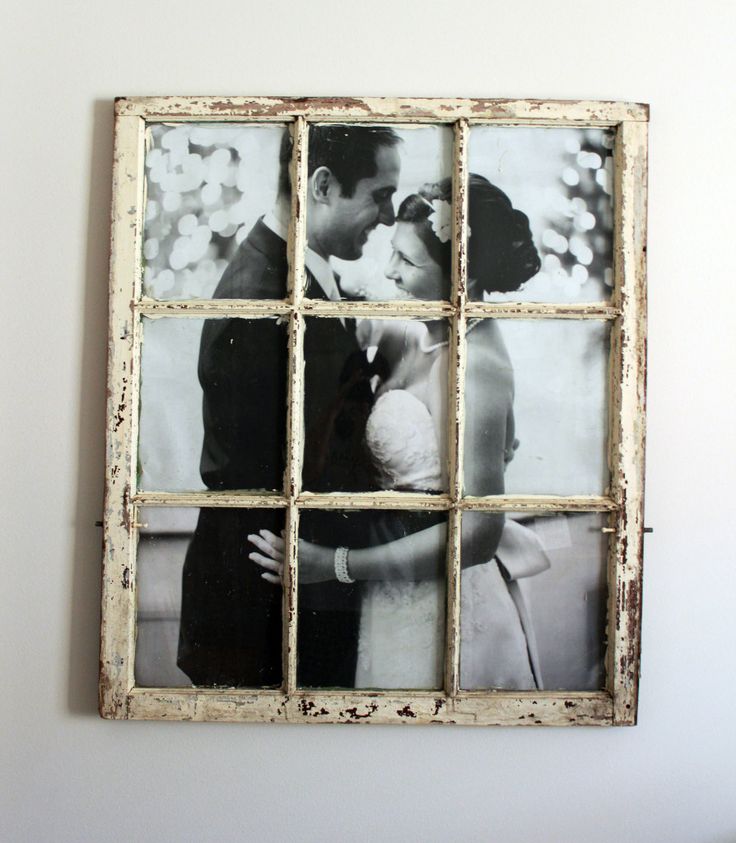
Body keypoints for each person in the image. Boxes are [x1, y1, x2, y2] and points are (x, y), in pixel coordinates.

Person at [249, 174, 551, 690]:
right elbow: (351, 320)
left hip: (443, 604)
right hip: (388, 589)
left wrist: (337, 564)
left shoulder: (476, 368)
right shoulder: (420, 333)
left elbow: (478, 535)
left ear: (462, 278)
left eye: (408, 263)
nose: (389, 271)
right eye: (393, 252)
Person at [177, 125, 401, 688]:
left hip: (311, 585)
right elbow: (254, 474)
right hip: (264, 606)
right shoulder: (259, 298)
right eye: (380, 195)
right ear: (322, 185)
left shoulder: (303, 273)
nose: (391, 216)